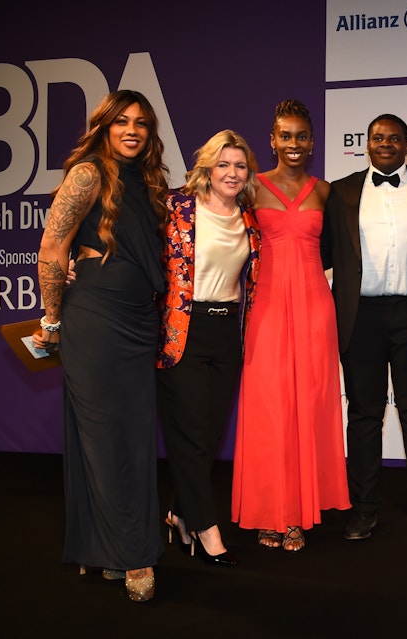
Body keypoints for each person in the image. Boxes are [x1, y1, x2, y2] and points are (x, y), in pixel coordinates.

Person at [33, 90, 168, 602]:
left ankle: (106, 547)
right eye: (121, 122)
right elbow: (53, 246)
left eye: (141, 123)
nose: (132, 131)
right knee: (109, 440)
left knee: (132, 440)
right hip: (95, 320)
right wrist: (52, 318)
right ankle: (134, 556)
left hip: (140, 321)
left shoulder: (150, 181)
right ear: (104, 127)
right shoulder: (89, 174)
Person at [321, 114, 407, 540]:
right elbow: (322, 253)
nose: (385, 144)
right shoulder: (340, 191)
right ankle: (363, 509)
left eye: (394, 138)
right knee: (364, 414)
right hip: (360, 317)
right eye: (378, 137)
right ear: (367, 143)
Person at [232, 99, 350, 552]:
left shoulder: (325, 192)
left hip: (315, 307)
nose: (293, 143)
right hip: (266, 307)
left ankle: (298, 513)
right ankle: (270, 511)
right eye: (286, 136)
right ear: (272, 140)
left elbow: (343, 250)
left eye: (301, 136)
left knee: (309, 405)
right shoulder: (250, 187)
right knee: (269, 408)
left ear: (313, 142)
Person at [156, 130, 261, 567]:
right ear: (207, 168)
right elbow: (132, 248)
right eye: (223, 164)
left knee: (209, 434)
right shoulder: (175, 207)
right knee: (189, 432)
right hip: (182, 330)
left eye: (240, 165)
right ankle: (205, 527)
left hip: (226, 332)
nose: (232, 173)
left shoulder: (249, 218)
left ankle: (179, 513)